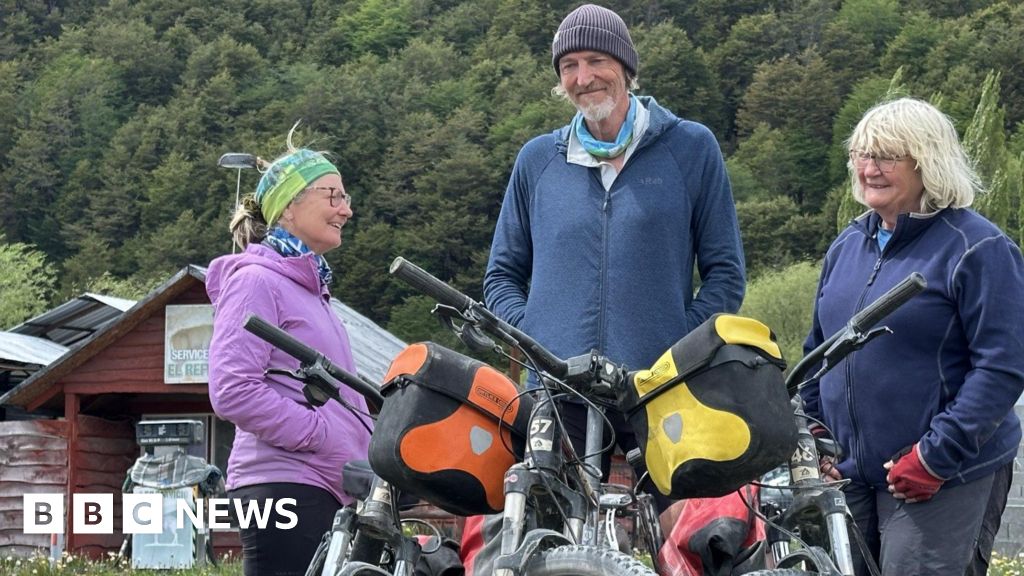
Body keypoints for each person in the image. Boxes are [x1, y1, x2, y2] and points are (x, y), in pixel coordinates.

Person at [472, 3, 745, 572]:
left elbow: (725, 276)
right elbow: (500, 277)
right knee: (542, 547)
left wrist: (676, 349)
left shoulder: (690, 148)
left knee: (693, 540)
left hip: (659, 386)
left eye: (596, 60)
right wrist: (536, 343)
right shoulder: (537, 161)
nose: (582, 78)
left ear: (625, 67)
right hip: (556, 390)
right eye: (568, 66)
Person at [803, 97, 1024, 575]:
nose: (869, 168)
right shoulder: (847, 245)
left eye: (885, 156)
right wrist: (817, 436)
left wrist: (934, 456)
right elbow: (817, 353)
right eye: (861, 155)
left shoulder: (978, 248)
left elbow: (1002, 368)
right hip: (850, 479)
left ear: (928, 163)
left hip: (941, 477)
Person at [207, 125, 372, 576]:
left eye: (346, 197)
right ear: (289, 206)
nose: (347, 209)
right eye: (333, 196)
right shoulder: (256, 281)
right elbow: (232, 389)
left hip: (327, 486)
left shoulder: (311, 292)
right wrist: (318, 435)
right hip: (284, 482)